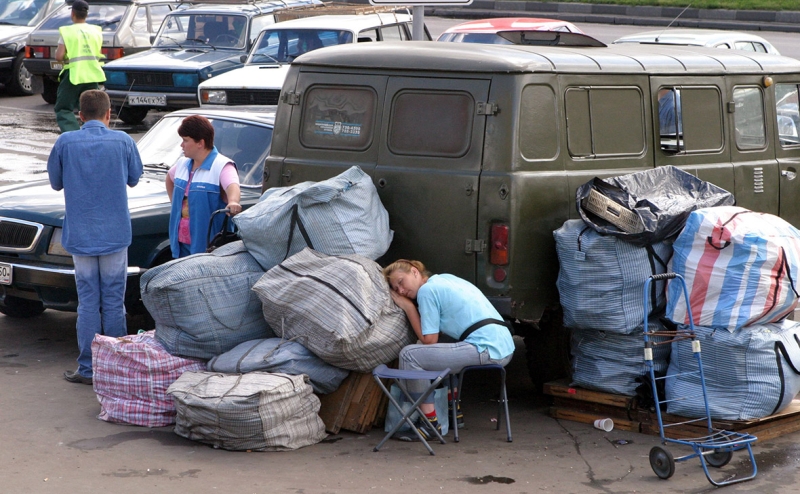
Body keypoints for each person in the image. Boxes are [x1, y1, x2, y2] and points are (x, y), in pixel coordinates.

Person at [47, 90, 143, 385]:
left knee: (88, 302)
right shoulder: (124, 141)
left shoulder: (65, 142)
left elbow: (55, 183)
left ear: (80, 115)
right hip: (114, 234)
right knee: (114, 301)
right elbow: (135, 177)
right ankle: (114, 370)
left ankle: (88, 368)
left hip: (81, 236)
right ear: (108, 113)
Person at [383, 259, 516, 441]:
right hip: (504, 346)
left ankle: (429, 424)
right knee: (444, 343)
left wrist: (408, 307)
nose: (400, 290)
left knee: (410, 355)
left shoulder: (426, 291)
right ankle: (454, 411)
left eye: (400, 282)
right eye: (395, 288)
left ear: (414, 272)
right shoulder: (446, 279)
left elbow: (429, 340)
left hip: (485, 349)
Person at [165, 115, 242, 258]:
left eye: (185, 140)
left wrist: (233, 202)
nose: (182, 145)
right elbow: (169, 178)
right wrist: (176, 207)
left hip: (208, 249)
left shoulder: (221, 165)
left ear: (200, 143)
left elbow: (233, 185)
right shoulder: (183, 163)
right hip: (181, 244)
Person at [53, 0, 106, 133]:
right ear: (86, 14)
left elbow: (59, 56)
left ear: (72, 13)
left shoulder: (67, 32)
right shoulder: (96, 31)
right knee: (93, 109)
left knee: (63, 108)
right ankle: (96, 134)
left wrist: (65, 56)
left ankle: (74, 135)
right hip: (92, 74)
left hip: (74, 75)